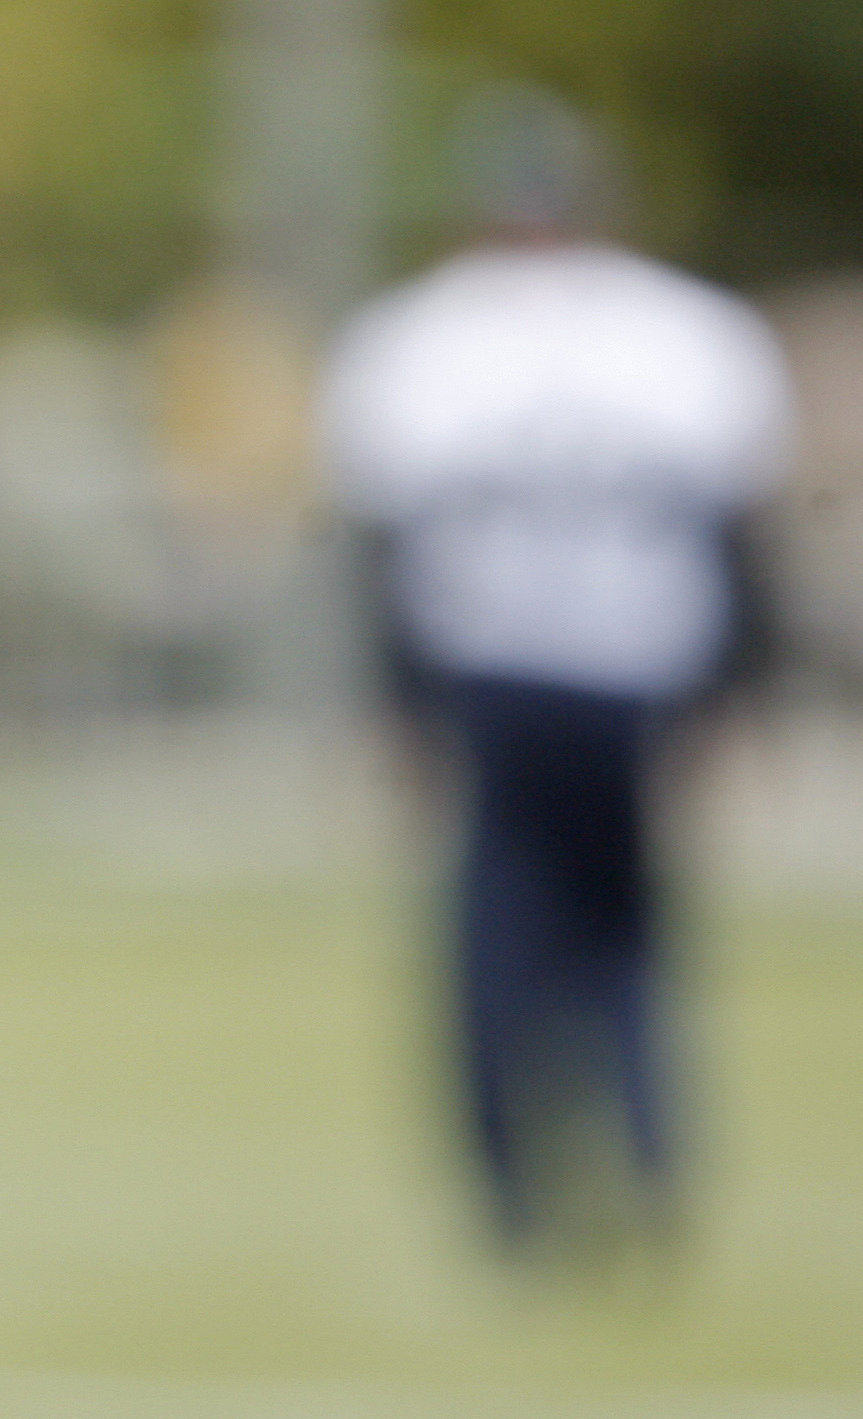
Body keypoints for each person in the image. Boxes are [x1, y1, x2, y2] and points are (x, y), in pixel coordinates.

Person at [323, 91, 790, 1262]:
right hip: (636, 671)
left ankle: (515, 1193)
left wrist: (397, 704)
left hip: (495, 673)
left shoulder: (426, 337)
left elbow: (385, 551)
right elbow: (743, 542)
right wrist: (740, 691)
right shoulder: (685, 335)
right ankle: (644, 1163)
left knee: (498, 934)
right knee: (621, 933)